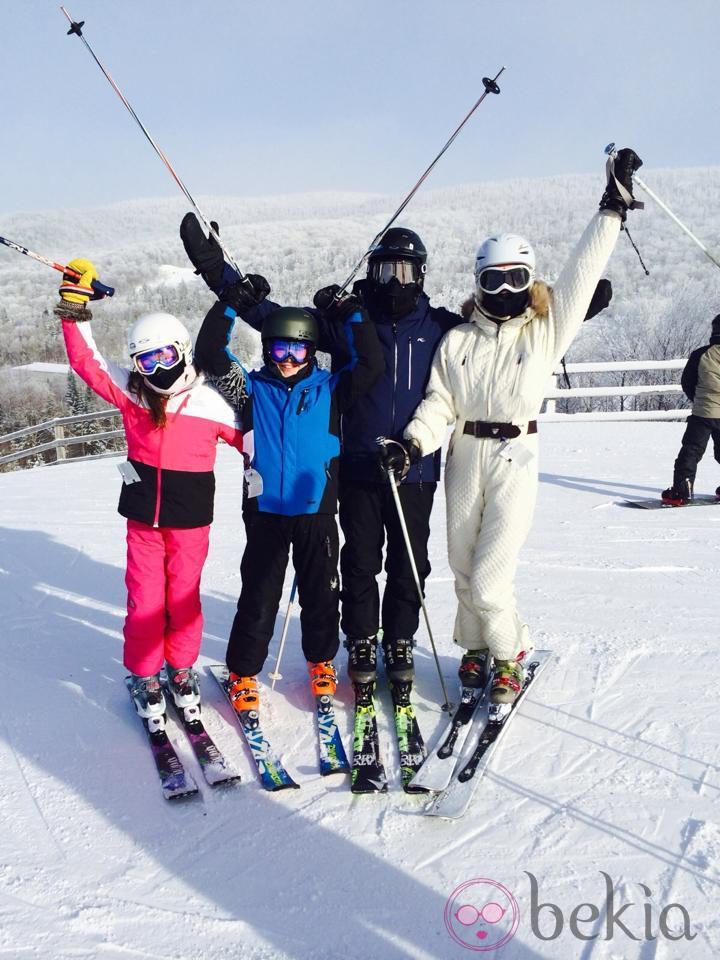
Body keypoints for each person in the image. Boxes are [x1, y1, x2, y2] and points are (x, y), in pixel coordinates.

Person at [382, 148, 643, 705]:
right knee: (460, 565)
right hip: (463, 455)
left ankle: (508, 656)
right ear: (477, 284)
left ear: (530, 282)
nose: (504, 292)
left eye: (516, 280)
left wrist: (611, 210)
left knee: (492, 577)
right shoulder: (458, 341)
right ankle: (474, 649)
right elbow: (439, 404)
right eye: (493, 281)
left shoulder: (543, 333)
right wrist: (412, 443)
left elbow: (580, 275)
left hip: (516, 458)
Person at [181, 216, 463, 687]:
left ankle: (398, 639)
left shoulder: (440, 326)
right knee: (358, 563)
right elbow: (269, 319)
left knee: (409, 563)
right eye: (384, 271)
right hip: (353, 466)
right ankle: (359, 639)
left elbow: (497, 327)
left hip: (414, 466)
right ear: (369, 273)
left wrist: (555, 311)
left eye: (405, 272)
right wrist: (216, 269)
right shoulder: (344, 324)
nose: (394, 282)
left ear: (422, 275)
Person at [54, 258, 245, 719]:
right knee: (144, 602)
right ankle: (145, 675)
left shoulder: (210, 403)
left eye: (164, 356)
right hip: (142, 520)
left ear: (181, 351)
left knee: (183, 600)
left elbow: (257, 444)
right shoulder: (134, 395)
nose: (156, 369)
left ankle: (180, 669)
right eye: (145, 360)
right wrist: (75, 307)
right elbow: (88, 362)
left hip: (190, 525)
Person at [186, 267, 383, 711]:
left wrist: (352, 312)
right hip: (266, 512)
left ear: (312, 350)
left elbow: (371, 363)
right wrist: (231, 302)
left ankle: (321, 662)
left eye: (297, 348)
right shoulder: (250, 390)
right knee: (258, 596)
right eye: (279, 347)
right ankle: (242, 671)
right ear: (267, 348)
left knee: (321, 595)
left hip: (317, 511)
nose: (288, 358)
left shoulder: (332, 389)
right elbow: (211, 354)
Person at [662, 314, 720, 504]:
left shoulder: (701, 354)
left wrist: (698, 400)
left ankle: (682, 490)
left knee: (691, 451)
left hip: (703, 412)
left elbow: (687, 381)